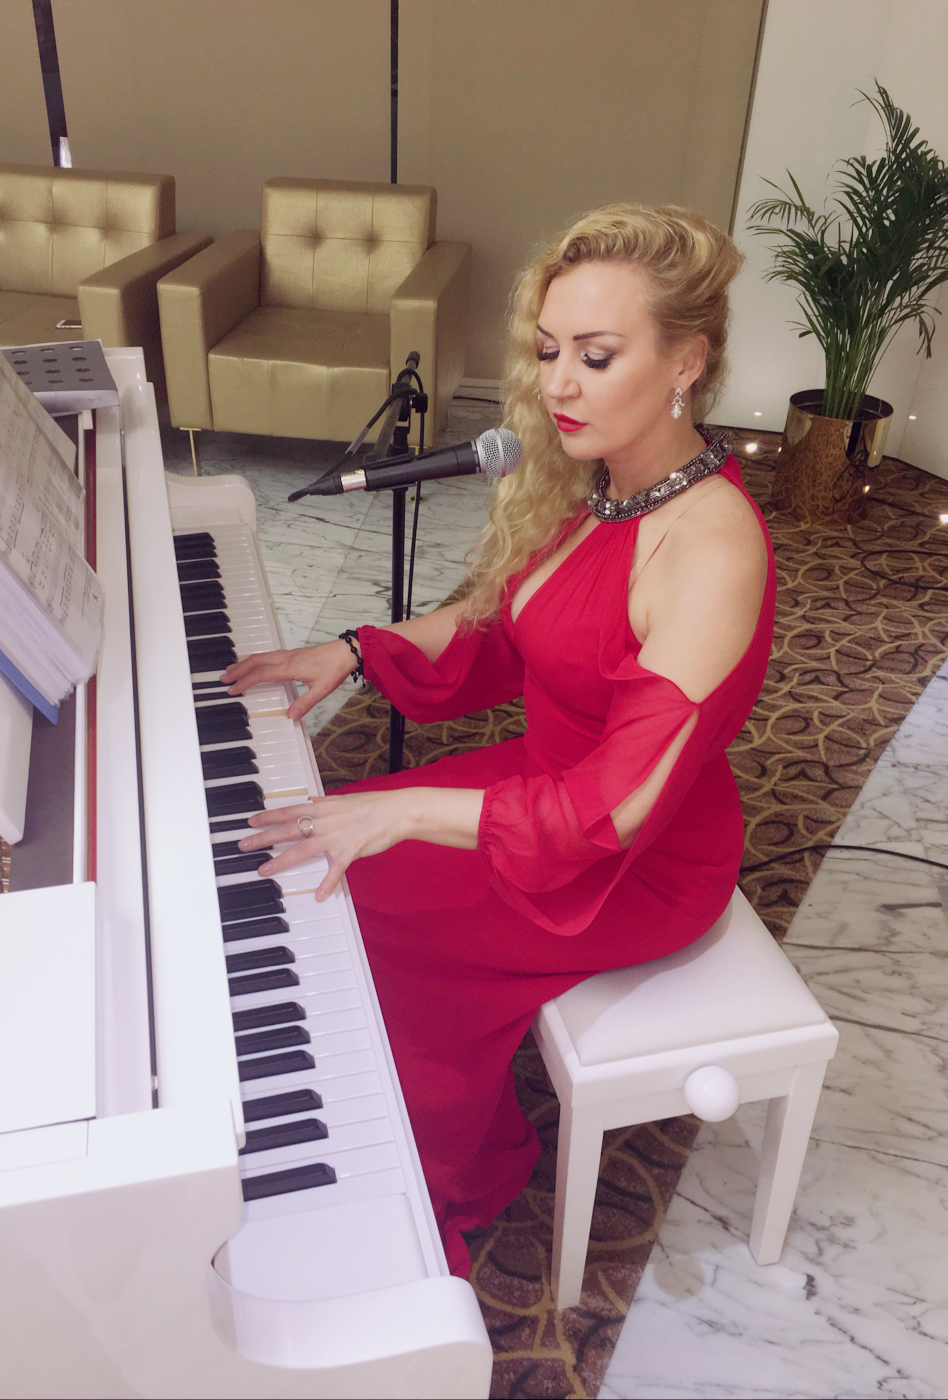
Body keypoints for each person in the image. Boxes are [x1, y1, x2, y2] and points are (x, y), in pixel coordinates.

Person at [222, 204, 774, 1279]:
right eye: (548, 351)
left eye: (595, 357)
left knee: (370, 913)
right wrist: (356, 648)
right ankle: (371, 1116)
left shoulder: (709, 548)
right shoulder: (601, 479)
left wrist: (403, 807)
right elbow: (505, 630)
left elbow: (610, 812)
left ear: (685, 362)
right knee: (321, 866)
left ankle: (426, 1180)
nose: (559, 384)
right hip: (543, 786)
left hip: (632, 857)